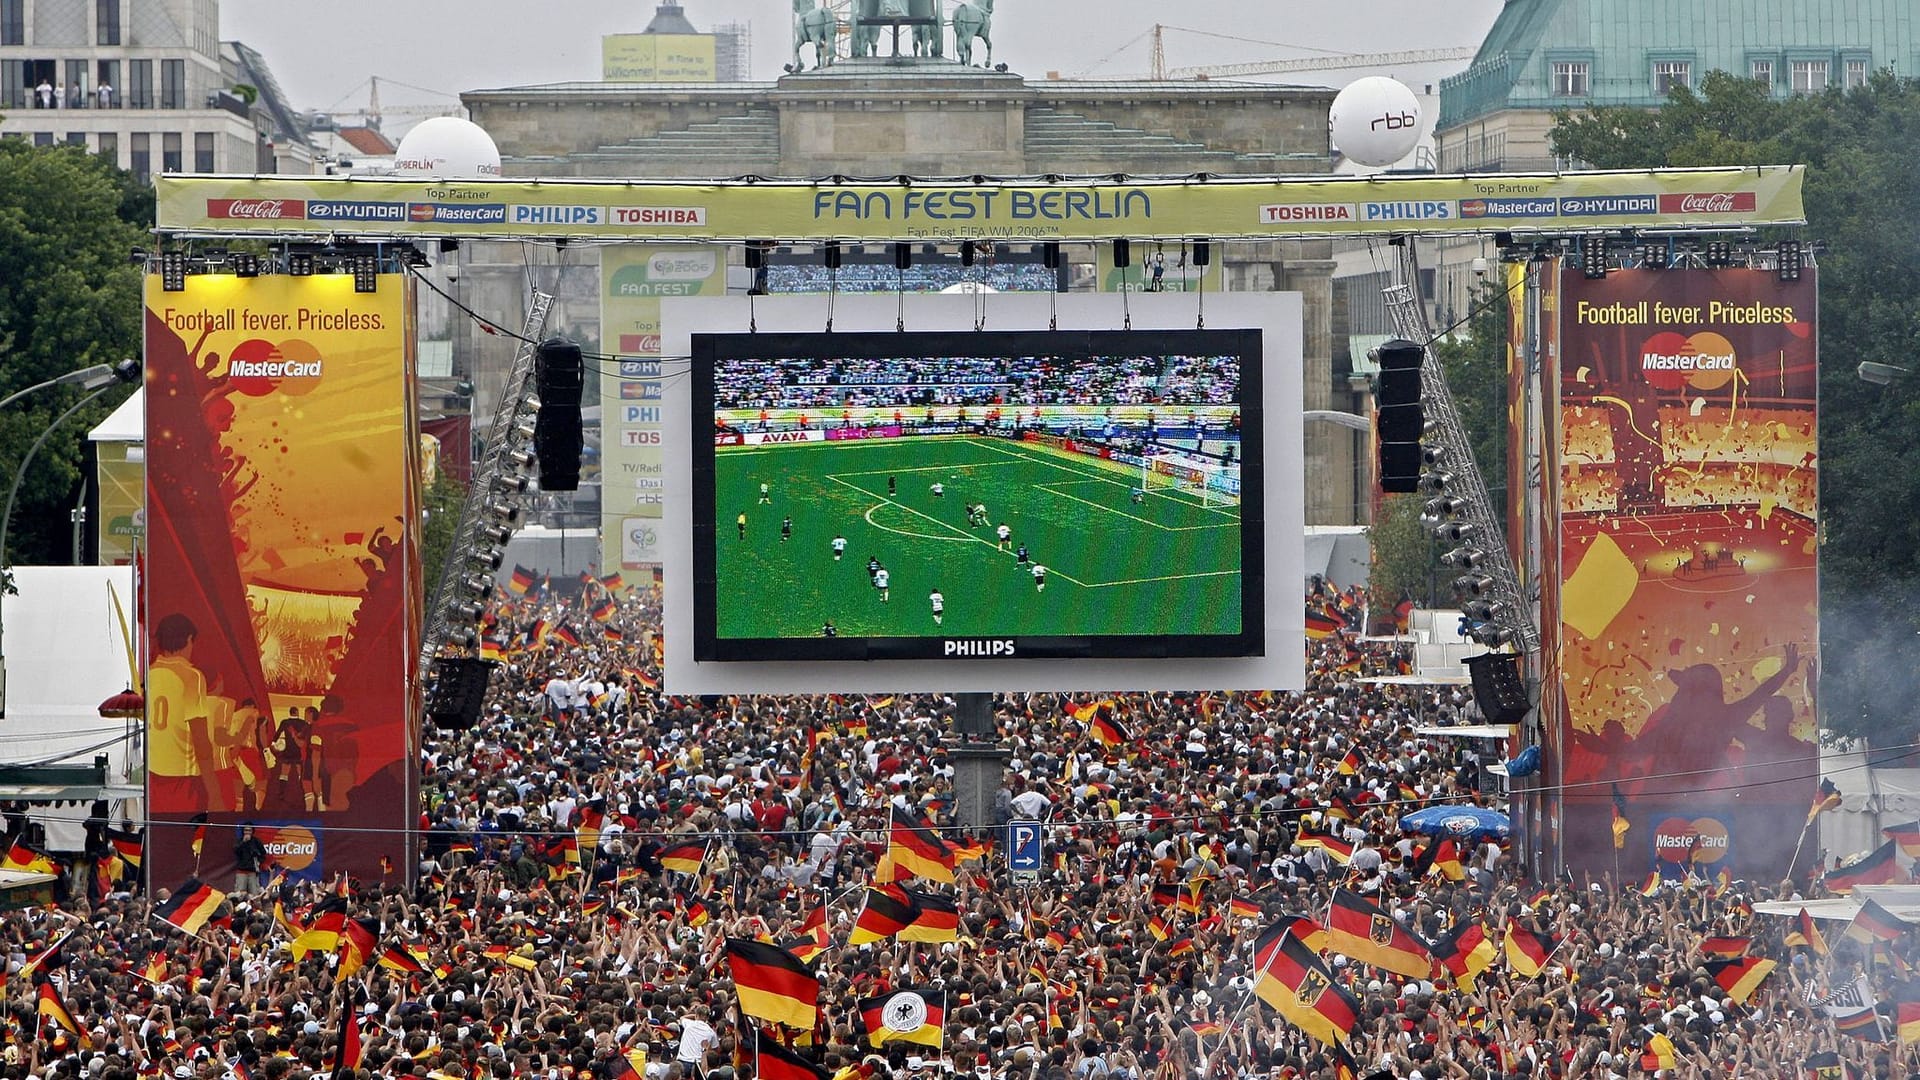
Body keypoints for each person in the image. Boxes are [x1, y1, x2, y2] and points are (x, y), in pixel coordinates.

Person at [147, 613, 218, 812]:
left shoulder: (147, 674)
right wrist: (214, 793)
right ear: (188, 639)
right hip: (182, 778)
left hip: (152, 775)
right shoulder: (191, 676)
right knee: (185, 837)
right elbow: (201, 740)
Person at [232, 824, 268, 895]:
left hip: (253, 872)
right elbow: (235, 851)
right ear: (243, 831)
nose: (247, 832)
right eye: (245, 830)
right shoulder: (239, 841)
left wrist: (259, 862)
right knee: (240, 894)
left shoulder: (256, 841)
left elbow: (263, 853)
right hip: (241, 871)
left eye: (249, 830)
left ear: (252, 831)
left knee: (254, 893)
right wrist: (243, 842)